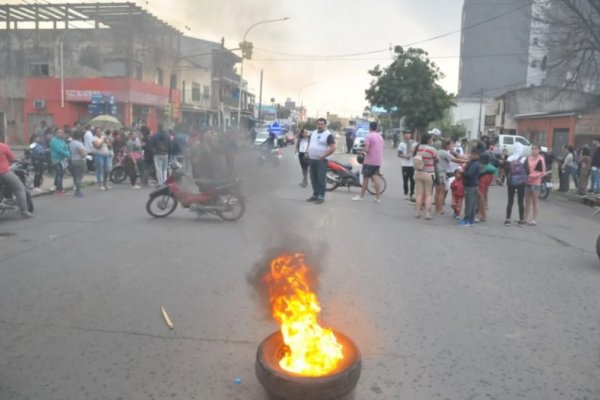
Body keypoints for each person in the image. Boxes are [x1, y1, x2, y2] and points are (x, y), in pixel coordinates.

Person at [352, 121, 384, 203]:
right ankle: (378, 197)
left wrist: (361, 150)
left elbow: (366, 149)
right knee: (376, 178)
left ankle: (361, 196)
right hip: (377, 161)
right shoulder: (380, 137)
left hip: (369, 161)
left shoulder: (369, 136)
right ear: (376, 128)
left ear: (370, 127)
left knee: (366, 178)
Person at [306, 118, 336, 205]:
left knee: (321, 178)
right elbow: (310, 143)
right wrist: (308, 151)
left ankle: (321, 196)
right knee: (313, 178)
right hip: (312, 159)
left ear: (325, 125)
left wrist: (323, 156)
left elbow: (333, 148)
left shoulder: (328, 135)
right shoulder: (313, 133)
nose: (320, 125)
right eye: (318, 124)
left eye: (322, 124)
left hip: (321, 160)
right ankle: (315, 194)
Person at [0, 140, 33, 218]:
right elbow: (12, 158)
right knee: (19, 188)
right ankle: (24, 212)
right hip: (4, 172)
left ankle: (8, 197)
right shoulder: (3, 146)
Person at [435, 139, 466, 215]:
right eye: (450, 145)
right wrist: (467, 161)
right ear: (447, 145)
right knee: (441, 193)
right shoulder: (444, 153)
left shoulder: (439, 151)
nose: (451, 146)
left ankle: (437, 208)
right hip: (441, 173)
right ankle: (440, 209)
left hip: (436, 172)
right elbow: (455, 159)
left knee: (437, 192)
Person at [413, 133, 438, 219]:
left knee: (419, 194)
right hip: (429, 174)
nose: (432, 141)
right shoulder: (432, 149)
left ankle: (417, 213)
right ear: (428, 140)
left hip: (418, 173)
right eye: (431, 139)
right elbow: (437, 160)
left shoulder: (417, 148)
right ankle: (427, 214)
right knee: (428, 195)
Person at [504, 142, 528, 227]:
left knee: (510, 201)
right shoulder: (524, 159)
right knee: (520, 201)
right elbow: (527, 171)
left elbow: (506, 170)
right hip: (521, 182)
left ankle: (508, 220)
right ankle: (521, 220)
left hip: (511, 182)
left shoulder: (509, 158)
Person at [524, 144, 546, 226]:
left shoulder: (541, 159)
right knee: (527, 202)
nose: (533, 150)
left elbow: (541, 172)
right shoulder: (529, 158)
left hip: (535, 183)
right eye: (532, 149)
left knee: (535, 202)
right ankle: (525, 218)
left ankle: (534, 219)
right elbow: (526, 168)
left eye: (535, 149)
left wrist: (530, 176)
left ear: (539, 150)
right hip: (527, 182)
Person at [457, 148, 481, 226]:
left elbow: (469, 174)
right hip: (473, 185)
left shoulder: (475, 164)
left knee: (469, 203)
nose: (472, 155)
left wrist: (462, 172)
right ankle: (471, 219)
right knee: (472, 203)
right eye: (472, 154)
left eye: (474, 154)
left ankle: (467, 219)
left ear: (478, 156)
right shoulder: (473, 163)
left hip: (471, 185)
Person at [476, 153, 498, 223]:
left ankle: (481, 214)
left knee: (481, 195)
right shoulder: (487, 167)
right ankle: (483, 214)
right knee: (481, 195)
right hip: (484, 180)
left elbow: (495, 170)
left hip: (484, 180)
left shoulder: (487, 167)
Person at [49, 128, 70, 196]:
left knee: (60, 174)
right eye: (58, 132)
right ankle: (59, 190)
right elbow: (59, 150)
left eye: (61, 132)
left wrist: (67, 152)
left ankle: (57, 187)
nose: (60, 134)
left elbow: (65, 148)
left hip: (63, 160)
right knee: (59, 174)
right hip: (57, 160)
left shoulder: (61, 140)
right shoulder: (54, 141)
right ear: (55, 133)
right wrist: (68, 154)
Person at [397, 130, 416, 201]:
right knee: (405, 179)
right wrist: (405, 156)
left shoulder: (414, 143)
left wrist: (414, 151)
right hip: (405, 165)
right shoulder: (401, 144)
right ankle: (406, 193)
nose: (408, 135)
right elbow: (399, 154)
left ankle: (412, 193)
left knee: (413, 180)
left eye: (409, 133)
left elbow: (417, 153)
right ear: (404, 135)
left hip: (413, 165)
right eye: (406, 134)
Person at [69, 130, 87, 198]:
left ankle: (76, 190)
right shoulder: (79, 144)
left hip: (73, 160)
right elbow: (83, 154)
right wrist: (86, 153)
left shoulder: (71, 143)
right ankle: (78, 192)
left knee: (76, 176)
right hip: (80, 161)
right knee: (79, 177)